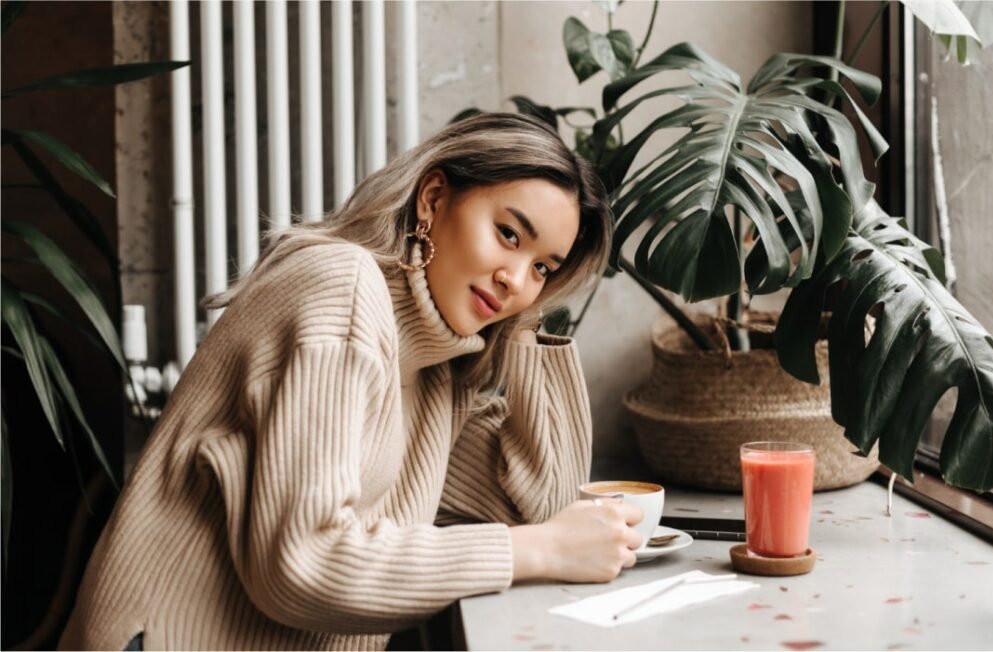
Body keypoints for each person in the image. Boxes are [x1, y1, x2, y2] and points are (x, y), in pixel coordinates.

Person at [59, 113, 643, 651]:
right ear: (433, 199)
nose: (516, 278)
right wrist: (536, 550)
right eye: (509, 235)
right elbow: (302, 562)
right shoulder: (341, 286)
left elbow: (541, 507)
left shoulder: (435, 369)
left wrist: (524, 321)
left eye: (543, 267)